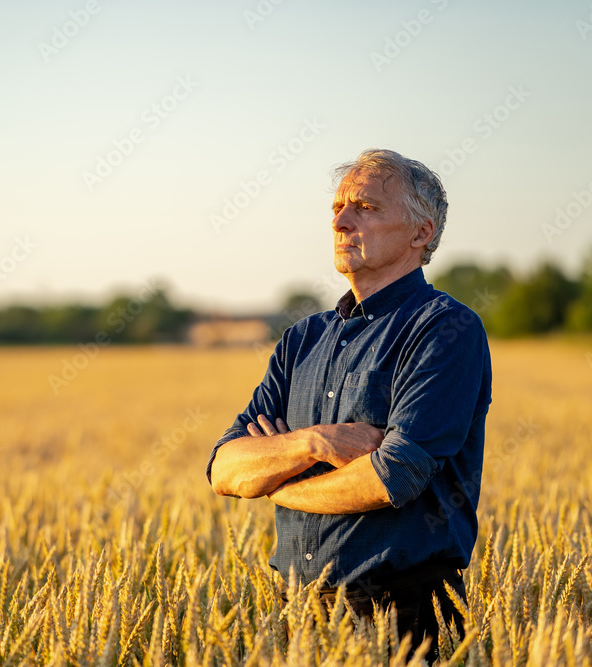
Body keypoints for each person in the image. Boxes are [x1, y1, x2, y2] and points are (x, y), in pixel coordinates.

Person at [206, 148, 492, 661]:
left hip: (404, 611)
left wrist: (279, 483)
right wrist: (315, 442)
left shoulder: (445, 328)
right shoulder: (302, 338)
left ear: (421, 233)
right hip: (295, 610)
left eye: (366, 207)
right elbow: (224, 470)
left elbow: (394, 477)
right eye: (338, 208)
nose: (340, 221)